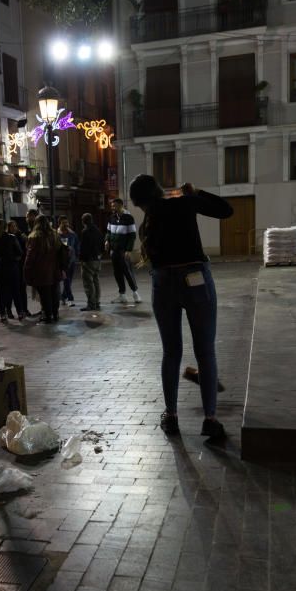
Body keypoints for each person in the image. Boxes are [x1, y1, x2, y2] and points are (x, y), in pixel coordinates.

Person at [130, 174, 232, 442]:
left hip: (163, 284)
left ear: (140, 202)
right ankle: (210, 420)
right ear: (159, 188)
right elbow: (226, 211)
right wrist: (196, 192)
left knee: (171, 352)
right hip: (196, 280)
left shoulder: (149, 222)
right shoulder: (184, 202)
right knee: (205, 352)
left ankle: (171, 417)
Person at [24, 214, 60, 324]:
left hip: (41, 272)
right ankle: (55, 314)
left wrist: (26, 271)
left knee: (45, 295)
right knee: (54, 292)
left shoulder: (34, 236)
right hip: (54, 269)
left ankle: (48, 316)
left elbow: (30, 257)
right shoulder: (54, 234)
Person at [105, 198, 141, 303]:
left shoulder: (128, 218)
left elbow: (132, 235)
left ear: (120, 205)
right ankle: (122, 294)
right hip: (113, 250)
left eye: (114, 206)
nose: (113, 208)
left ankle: (135, 293)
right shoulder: (111, 217)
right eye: (112, 206)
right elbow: (108, 231)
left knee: (127, 271)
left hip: (123, 250)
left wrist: (129, 250)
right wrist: (107, 240)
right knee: (117, 272)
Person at [0, 219, 23, 323]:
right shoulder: (12, 238)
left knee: (1, 293)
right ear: (5, 228)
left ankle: (3, 314)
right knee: (16, 291)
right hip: (11, 267)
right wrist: (15, 260)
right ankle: (20, 312)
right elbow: (19, 252)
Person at [78, 212, 103, 311]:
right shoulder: (97, 230)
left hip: (88, 260)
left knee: (88, 283)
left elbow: (83, 247)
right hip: (97, 259)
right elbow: (101, 244)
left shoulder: (85, 231)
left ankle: (91, 304)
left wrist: (81, 259)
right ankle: (97, 302)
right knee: (96, 281)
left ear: (83, 221)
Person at [8, 220, 32, 318]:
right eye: (12, 226)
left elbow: (26, 248)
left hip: (21, 266)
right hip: (12, 267)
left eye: (15, 226)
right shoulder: (7, 237)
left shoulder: (21, 236)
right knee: (11, 290)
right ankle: (9, 311)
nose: (14, 228)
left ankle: (24, 309)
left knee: (22, 289)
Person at [57, 215, 79, 307]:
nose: (66, 224)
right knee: (66, 279)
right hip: (62, 261)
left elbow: (77, 245)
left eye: (67, 222)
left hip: (72, 260)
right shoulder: (56, 234)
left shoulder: (72, 234)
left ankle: (63, 297)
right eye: (63, 223)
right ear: (59, 224)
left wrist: (77, 255)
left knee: (69, 280)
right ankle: (70, 298)